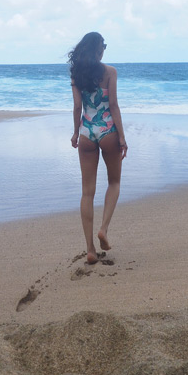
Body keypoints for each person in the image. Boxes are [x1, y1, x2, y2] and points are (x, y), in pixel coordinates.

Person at [69, 31, 128, 264]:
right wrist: (121, 137)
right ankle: (103, 229)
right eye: (103, 46)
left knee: (87, 192)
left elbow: (77, 106)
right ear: (98, 49)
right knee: (114, 183)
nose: (104, 50)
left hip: (86, 133)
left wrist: (76, 133)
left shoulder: (76, 74)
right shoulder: (110, 72)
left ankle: (90, 249)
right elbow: (113, 105)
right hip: (108, 131)